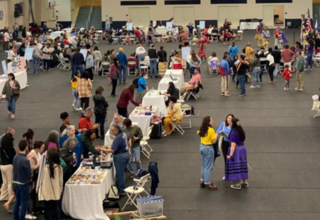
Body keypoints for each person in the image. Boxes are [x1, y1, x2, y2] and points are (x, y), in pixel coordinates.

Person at [103, 124, 130, 195]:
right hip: (126, 154)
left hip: (120, 156)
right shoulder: (123, 134)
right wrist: (129, 149)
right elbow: (129, 140)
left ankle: (121, 190)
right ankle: (121, 186)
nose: (111, 132)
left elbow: (113, 150)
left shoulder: (118, 138)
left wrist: (102, 149)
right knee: (121, 172)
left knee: (120, 174)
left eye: (112, 130)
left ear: (117, 130)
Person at [38, 151, 63, 220]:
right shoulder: (59, 167)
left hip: (46, 190)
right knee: (56, 206)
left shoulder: (44, 167)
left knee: (47, 208)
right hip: (55, 190)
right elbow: (60, 180)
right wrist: (60, 188)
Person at [225, 118, 249, 189]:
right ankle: (245, 182)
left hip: (237, 150)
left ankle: (238, 184)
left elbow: (233, 144)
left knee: (236, 164)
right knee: (243, 164)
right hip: (243, 148)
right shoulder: (242, 130)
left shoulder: (233, 132)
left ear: (233, 124)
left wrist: (230, 155)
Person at [13, 140, 32, 220]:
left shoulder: (15, 157)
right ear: (26, 147)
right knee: (24, 203)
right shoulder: (25, 160)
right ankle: (21, 218)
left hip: (16, 182)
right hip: (23, 183)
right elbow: (29, 173)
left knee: (17, 201)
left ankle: (15, 217)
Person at [197, 116, 218, 189]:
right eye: (211, 120)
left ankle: (202, 180)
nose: (213, 121)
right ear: (208, 122)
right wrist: (216, 136)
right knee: (208, 166)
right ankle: (207, 182)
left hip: (202, 147)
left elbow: (198, 133)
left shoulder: (201, 128)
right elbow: (213, 141)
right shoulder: (211, 130)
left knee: (203, 165)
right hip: (209, 148)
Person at [0, 127, 16, 202]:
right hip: (9, 166)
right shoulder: (9, 148)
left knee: (5, 182)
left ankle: (3, 196)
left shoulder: (2, 146)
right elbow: (12, 156)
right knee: (10, 182)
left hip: (2, 165)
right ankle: (10, 198)